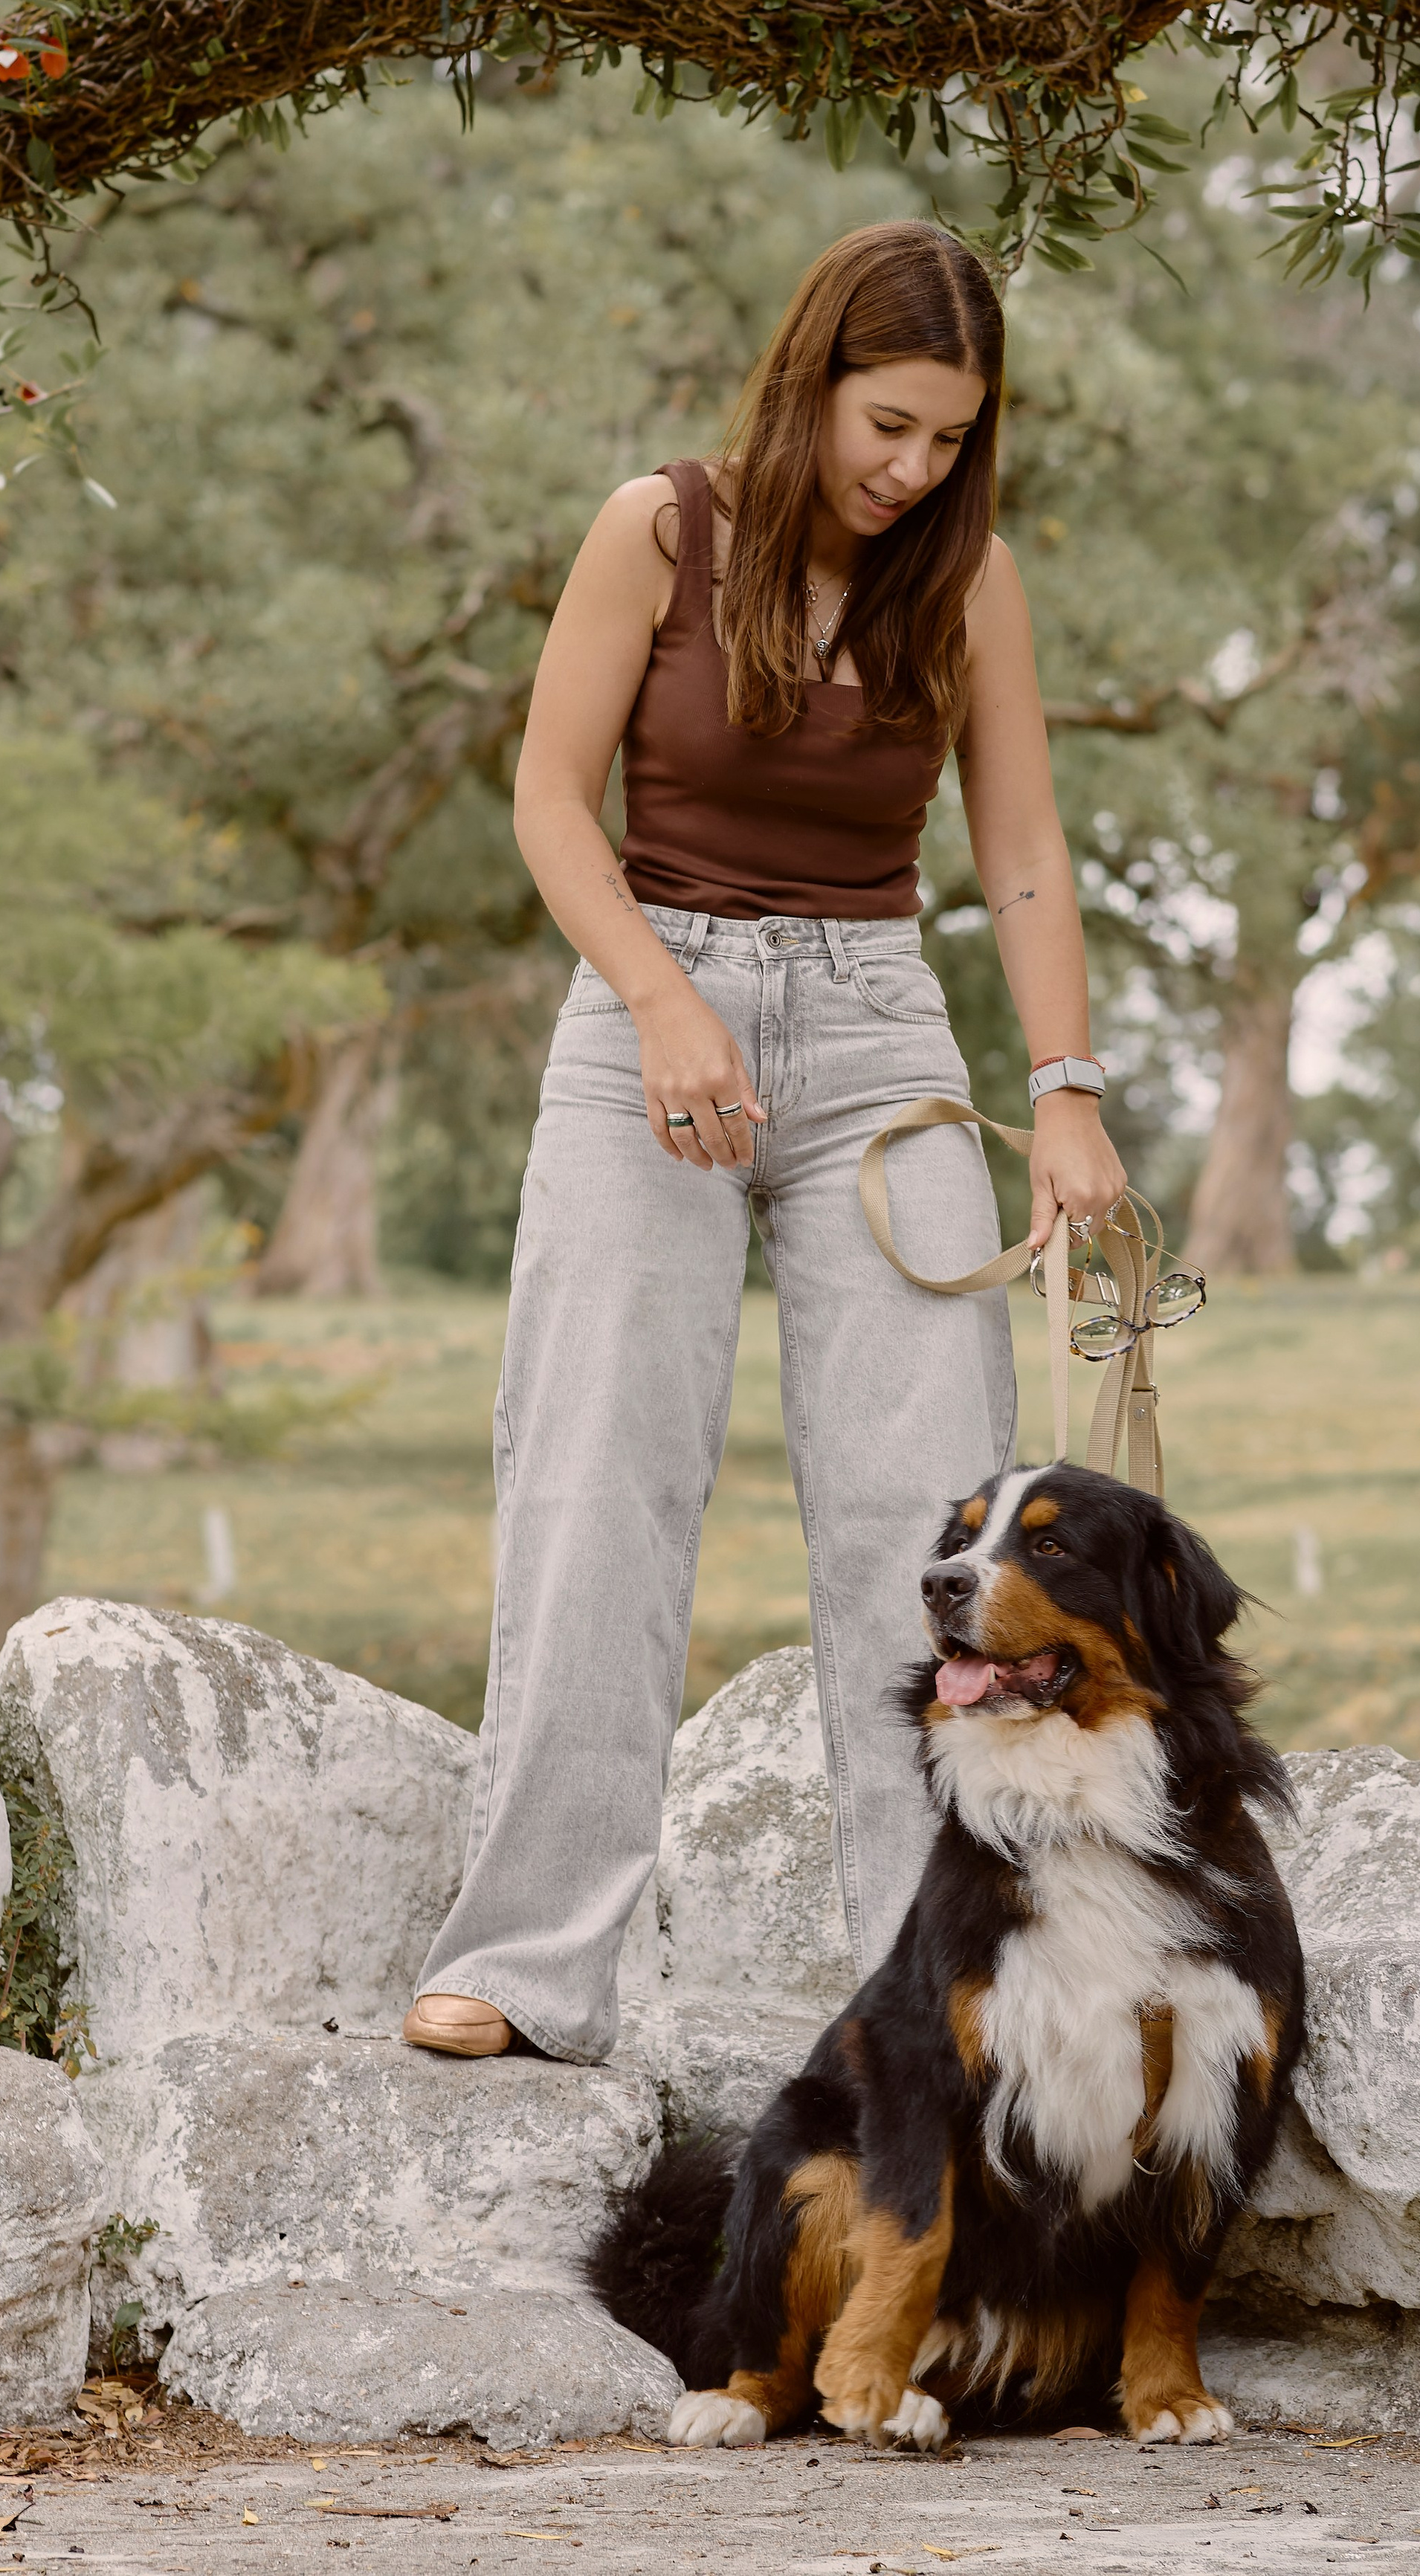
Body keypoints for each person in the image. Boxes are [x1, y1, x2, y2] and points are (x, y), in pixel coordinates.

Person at [403, 219, 1127, 2064]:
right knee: (593, 1480)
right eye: (888, 424)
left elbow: (1022, 851)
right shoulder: (661, 526)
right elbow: (549, 799)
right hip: (652, 1010)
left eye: (949, 440)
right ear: (810, 380)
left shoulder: (965, 586)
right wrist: (658, 996)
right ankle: (530, 1960)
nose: (912, 469)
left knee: (926, 1524)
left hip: (880, 1032)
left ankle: (928, 1992)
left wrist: (1062, 1092)